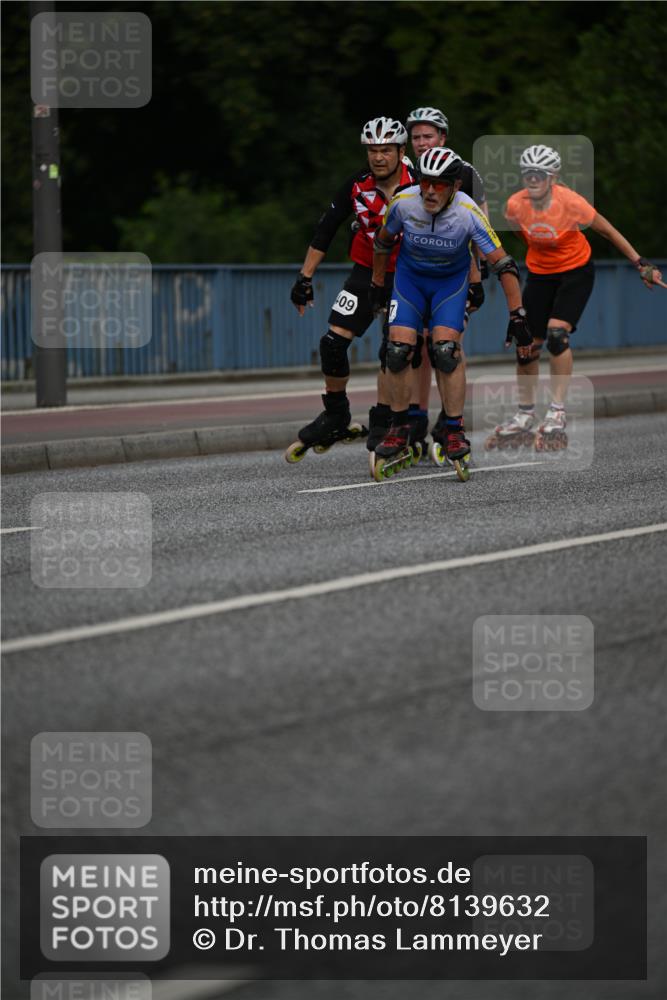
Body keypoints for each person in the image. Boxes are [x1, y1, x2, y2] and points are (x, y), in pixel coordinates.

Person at [369, 147, 533, 481]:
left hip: (449, 285)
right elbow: (382, 242)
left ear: (455, 186)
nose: (429, 191)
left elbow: (504, 264)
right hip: (410, 283)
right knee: (397, 350)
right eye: (425, 182)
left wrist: (517, 315)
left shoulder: (467, 212)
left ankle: (454, 429)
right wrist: (377, 286)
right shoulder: (403, 202)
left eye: (439, 184)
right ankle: (400, 427)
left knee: (445, 352)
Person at [487, 143, 663, 449]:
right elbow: (521, 235)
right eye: (528, 173)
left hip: (575, 272)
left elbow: (608, 231)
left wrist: (640, 263)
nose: (533, 179)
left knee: (557, 336)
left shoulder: (571, 203)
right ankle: (526, 414)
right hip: (540, 274)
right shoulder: (515, 205)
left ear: (553, 177)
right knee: (526, 344)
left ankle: (557, 412)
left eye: (540, 174)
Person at [285, 117, 415, 463]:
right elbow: (326, 229)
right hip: (363, 272)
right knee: (331, 343)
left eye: (386, 150)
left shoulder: (419, 186)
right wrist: (304, 279)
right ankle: (336, 414)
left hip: (405, 276)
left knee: (394, 352)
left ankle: (385, 419)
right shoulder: (356, 186)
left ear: (401, 152)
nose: (378, 157)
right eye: (372, 151)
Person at [401, 107, 489, 457]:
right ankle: (415, 418)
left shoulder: (464, 173)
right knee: (412, 348)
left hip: (456, 272)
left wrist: (478, 275)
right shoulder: (407, 170)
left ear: (443, 138)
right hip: (413, 270)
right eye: (416, 137)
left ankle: (451, 422)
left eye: (428, 136)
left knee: (445, 347)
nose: (421, 143)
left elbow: (482, 228)